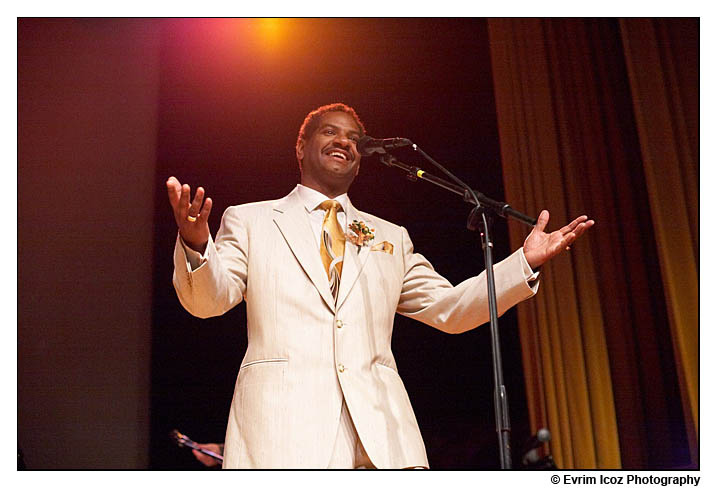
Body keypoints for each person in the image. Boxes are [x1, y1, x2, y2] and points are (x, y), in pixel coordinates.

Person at [167, 103, 593, 469]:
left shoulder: (390, 236)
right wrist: (196, 243)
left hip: (383, 444)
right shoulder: (252, 220)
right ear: (300, 147)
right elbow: (209, 301)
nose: (344, 141)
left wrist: (524, 262)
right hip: (283, 438)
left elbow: (451, 309)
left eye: (354, 137)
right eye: (329, 131)